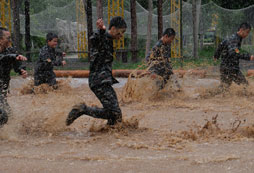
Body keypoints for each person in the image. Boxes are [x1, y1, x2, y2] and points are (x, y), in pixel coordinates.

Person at [66, 16, 127, 126]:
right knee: (114, 112)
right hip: (99, 81)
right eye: (120, 32)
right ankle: (82, 109)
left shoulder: (109, 39)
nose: (121, 35)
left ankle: (109, 133)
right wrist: (101, 30)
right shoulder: (103, 36)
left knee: (116, 116)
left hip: (103, 80)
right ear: (113, 28)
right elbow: (94, 39)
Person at [214, 22, 254, 90]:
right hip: (231, 68)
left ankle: (206, 95)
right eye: (247, 32)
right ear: (241, 30)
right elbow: (234, 53)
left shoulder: (232, 37)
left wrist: (216, 55)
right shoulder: (235, 39)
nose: (247, 34)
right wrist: (248, 57)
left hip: (225, 67)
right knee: (245, 86)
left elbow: (221, 44)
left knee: (224, 88)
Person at [0, 27, 27, 126]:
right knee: (3, 115)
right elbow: (3, 58)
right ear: (0, 39)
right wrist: (13, 56)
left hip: (3, 87)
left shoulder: (10, 50)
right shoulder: (9, 54)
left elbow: (17, 65)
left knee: (9, 115)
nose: (10, 40)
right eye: (8, 38)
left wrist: (21, 70)